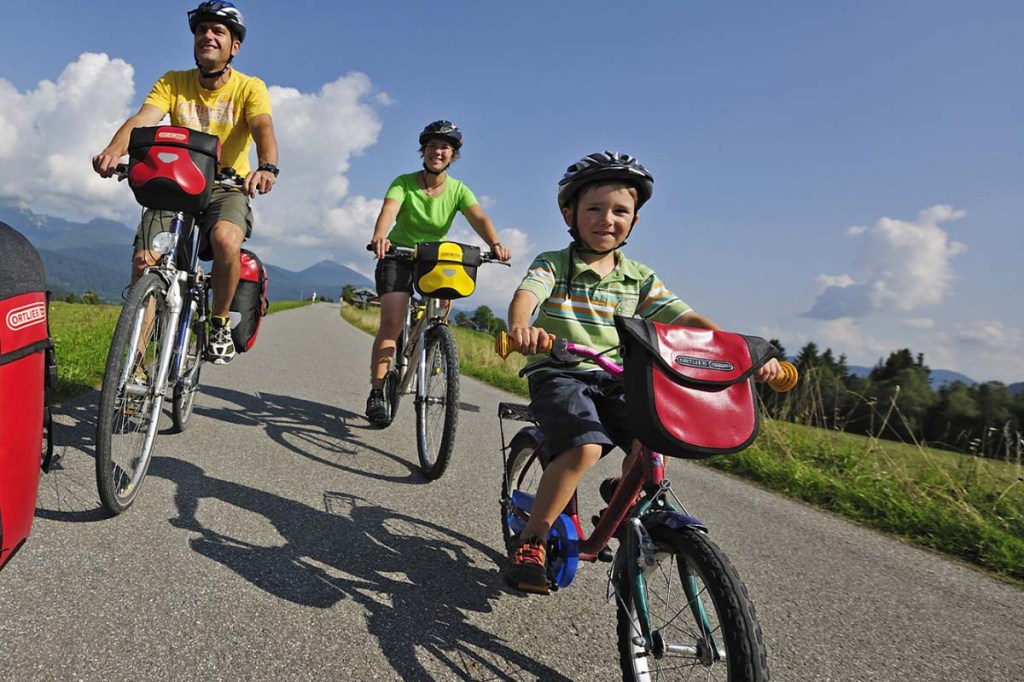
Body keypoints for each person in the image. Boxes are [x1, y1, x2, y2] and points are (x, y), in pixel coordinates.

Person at [502, 151, 782, 594]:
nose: (606, 219)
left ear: (633, 221)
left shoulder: (639, 278)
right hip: (560, 371)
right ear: (569, 214)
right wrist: (522, 327)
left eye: (620, 211)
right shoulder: (555, 262)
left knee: (655, 427)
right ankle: (533, 537)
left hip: (612, 374)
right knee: (584, 450)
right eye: (594, 209)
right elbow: (527, 295)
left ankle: (622, 495)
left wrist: (740, 353)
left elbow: (686, 320)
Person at [92, 1, 279, 365]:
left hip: (225, 186)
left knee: (226, 239)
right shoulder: (172, 81)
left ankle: (219, 322)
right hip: (174, 183)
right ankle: (137, 368)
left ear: (234, 47)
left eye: (218, 31)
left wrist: (268, 166)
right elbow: (142, 120)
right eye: (201, 30)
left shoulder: (249, 88)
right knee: (145, 262)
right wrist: (114, 150)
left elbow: (262, 128)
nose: (207, 36)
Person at [365, 120, 511, 424]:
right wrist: (381, 236)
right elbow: (389, 210)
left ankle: (432, 342)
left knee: (447, 295)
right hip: (398, 254)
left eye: (444, 147)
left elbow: (479, 217)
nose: (437, 151)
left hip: (431, 257)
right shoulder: (404, 182)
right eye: (432, 146)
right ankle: (378, 392)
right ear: (424, 151)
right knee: (391, 323)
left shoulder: (458, 190)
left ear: (452, 155)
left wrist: (495, 243)